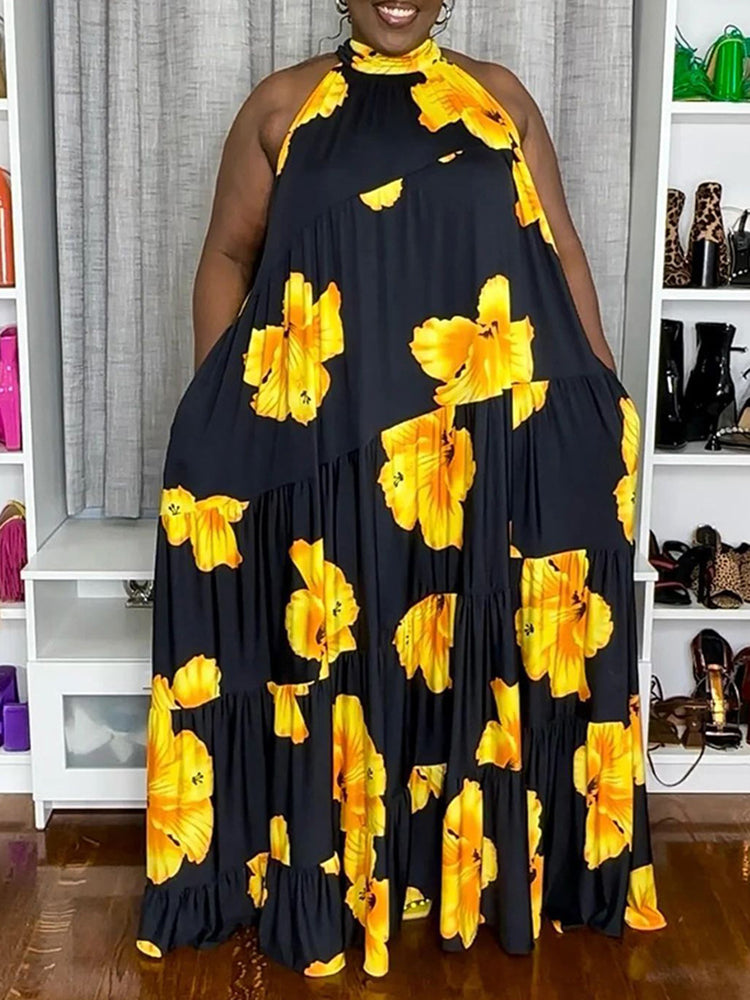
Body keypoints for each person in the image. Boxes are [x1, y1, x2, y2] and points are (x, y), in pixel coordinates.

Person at [137, 0, 666, 978]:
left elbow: (561, 252)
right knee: (344, 664)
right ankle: (327, 880)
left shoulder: (498, 99)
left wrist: (603, 389)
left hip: (476, 460)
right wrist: (225, 410)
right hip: (330, 466)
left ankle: (455, 871)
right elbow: (227, 258)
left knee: (466, 658)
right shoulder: (281, 106)